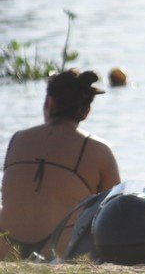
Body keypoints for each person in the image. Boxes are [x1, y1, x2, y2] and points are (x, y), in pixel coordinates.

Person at [0, 70, 120, 259]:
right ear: (86, 111)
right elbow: (114, 212)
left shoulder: (18, 138)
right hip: (57, 251)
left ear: (50, 102)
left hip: (6, 248)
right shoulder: (99, 150)